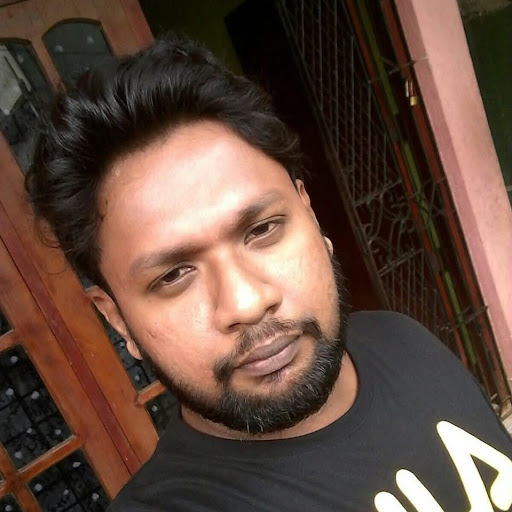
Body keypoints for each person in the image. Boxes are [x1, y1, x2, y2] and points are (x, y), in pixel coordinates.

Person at [26, 35, 512, 512]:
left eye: (262, 229)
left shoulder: (401, 339)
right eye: (173, 275)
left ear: (310, 214)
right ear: (118, 320)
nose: (246, 302)